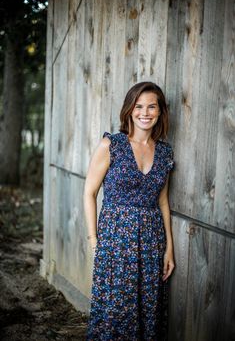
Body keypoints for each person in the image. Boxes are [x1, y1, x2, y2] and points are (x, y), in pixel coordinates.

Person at [84, 81, 175, 340]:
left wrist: (169, 248)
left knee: (149, 308)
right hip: (115, 240)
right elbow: (89, 193)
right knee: (116, 309)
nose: (145, 112)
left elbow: (163, 202)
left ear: (160, 112)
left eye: (151, 107)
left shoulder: (165, 152)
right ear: (130, 110)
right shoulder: (111, 145)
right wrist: (94, 242)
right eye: (139, 106)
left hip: (151, 242)